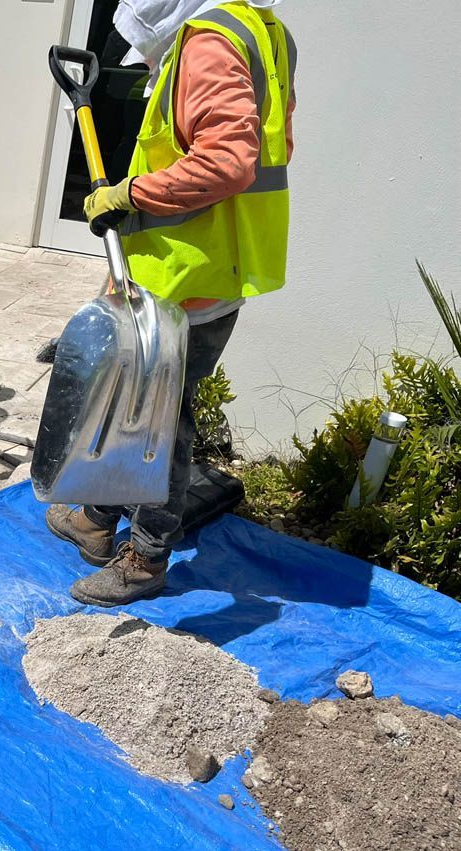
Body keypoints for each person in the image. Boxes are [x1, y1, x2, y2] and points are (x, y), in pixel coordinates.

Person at [48, 0, 296, 606]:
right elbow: (276, 140)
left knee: (163, 419)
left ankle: (146, 559)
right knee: (135, 394)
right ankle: (96, 520)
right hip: (209, 264)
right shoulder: (265, 29)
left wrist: (131, 194)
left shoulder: (208, 43)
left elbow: (230, 160)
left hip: (190, 275)